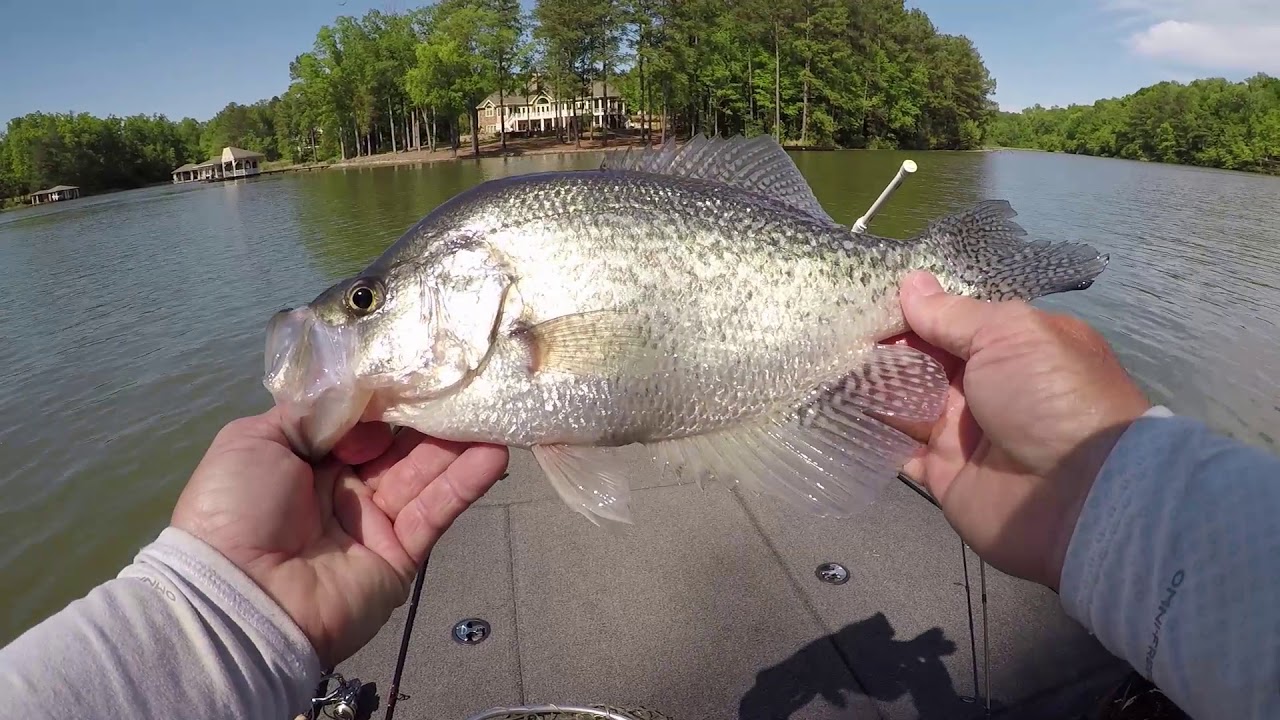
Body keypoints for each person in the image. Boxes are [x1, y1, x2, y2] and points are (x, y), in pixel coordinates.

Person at [1, 271, 1276, 720]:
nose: (345, 325)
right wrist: (1121, 496)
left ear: (481, 304)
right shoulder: (467, 377)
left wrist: (205, 616)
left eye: (368, 303)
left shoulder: (504, 346)